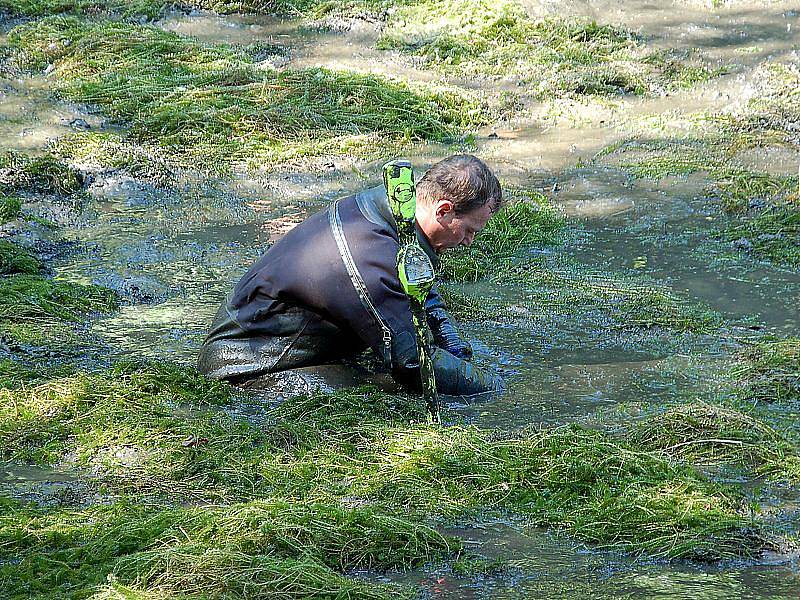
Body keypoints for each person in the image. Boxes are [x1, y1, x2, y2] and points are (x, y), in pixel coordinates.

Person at [197, 154, 504, 396]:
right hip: (246, 367)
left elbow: (418, 286)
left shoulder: (393, 207)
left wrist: (452, 342)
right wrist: (495, 387)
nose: (469, 242)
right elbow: (412, 363)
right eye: (469, 230)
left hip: (273, 344)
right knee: (382, 391)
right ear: (444, 210)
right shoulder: (372, 255)